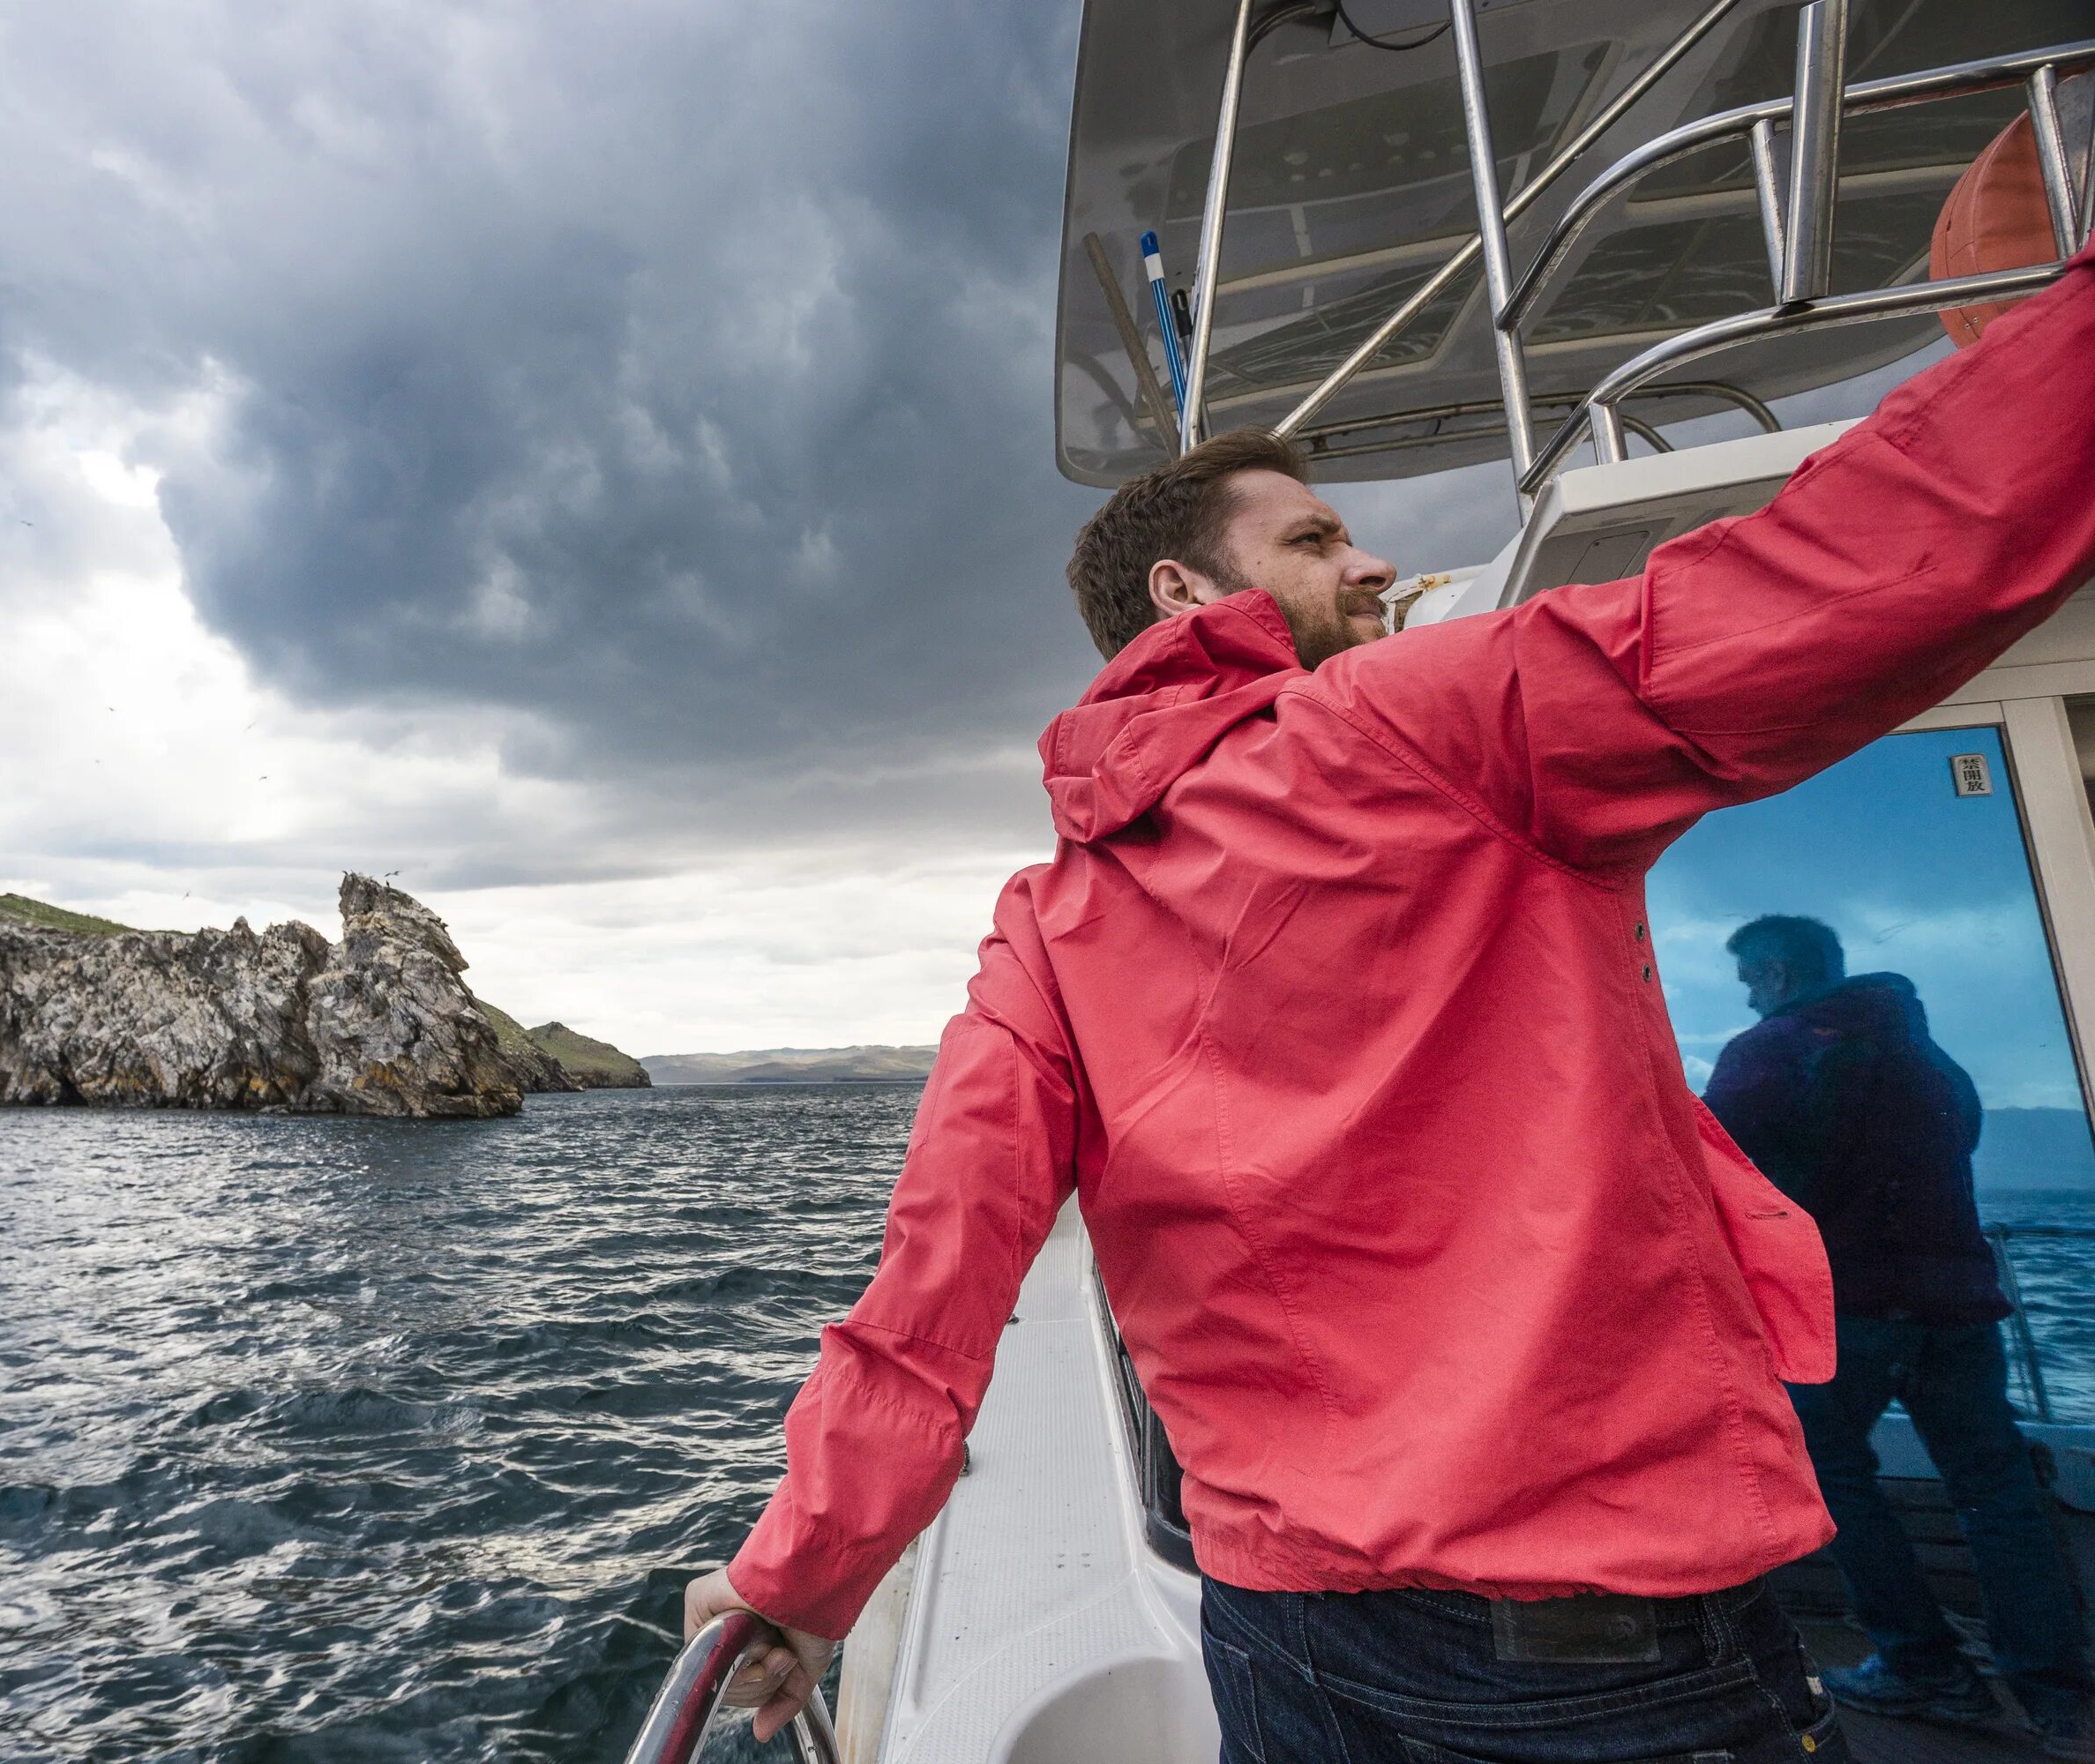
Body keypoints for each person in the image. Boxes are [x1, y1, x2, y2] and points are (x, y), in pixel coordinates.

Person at [684, 230, 2095, 1763]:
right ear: (1184, 589)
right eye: (1314, 538)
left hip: (1284, 1641)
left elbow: (935, 1283)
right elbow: (1872, 566)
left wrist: (806, 1580)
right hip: (1596, 1662)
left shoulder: (1045, 922)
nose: (1368, 563)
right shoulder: (1432, 715)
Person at [1706, 915, 2092, 1738]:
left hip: (1848, 1312)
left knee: (1835, 1476)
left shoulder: (1768, 1052)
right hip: (1959, 1304)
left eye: (1749, 980)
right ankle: (2061, 1701)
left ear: (1775, 973)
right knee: (1999, 1493)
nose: (1746, 996)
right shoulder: (1923, 1054)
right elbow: (1966, 1134)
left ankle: (1924, 1666)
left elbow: (1709, 1169)